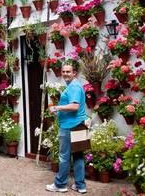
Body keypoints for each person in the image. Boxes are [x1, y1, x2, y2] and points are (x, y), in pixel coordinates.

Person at [46, 63, 87, 194]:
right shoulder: (74, 85)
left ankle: (60, 185)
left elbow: (74, 106)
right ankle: (80, 186)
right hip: (79, 124)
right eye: (63, 71)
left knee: (64, 156)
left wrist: (57, 108)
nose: (65, 73)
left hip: (70, 126)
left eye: (68, 71)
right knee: (78, 156)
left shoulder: (74, 86)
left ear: (74, 73)